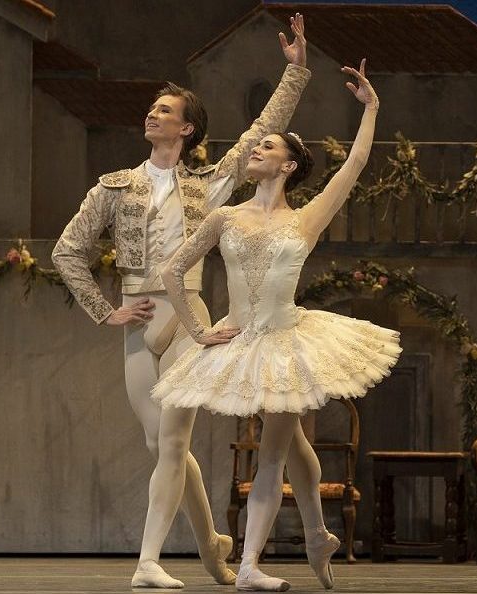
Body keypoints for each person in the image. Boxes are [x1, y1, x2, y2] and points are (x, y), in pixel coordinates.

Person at [51, 15, 323, 589]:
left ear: (188, 128)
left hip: (187, 321)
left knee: (172, 441)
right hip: (136, 322)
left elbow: (260, 130)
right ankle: (211, 545)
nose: (153, 114)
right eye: (152, 108)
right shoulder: (115, 186)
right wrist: (108, 310)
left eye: (165, 110)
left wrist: (295, 72)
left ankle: (148, 562)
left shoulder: (211, 184)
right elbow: (66, 251)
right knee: (159, 444)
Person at [151, 59, 398, 592]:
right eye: (257, 146)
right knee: (289, 447)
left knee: (274, 450)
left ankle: (248, 567)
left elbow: (353, 164)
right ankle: (316, 536)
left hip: (287, 341)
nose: (257, 150)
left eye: (268, 147)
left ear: (288, 166)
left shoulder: (304, 220)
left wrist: (372, 108)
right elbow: (171, 271)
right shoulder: (226, 217)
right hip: (240, 338)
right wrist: (198, 332)